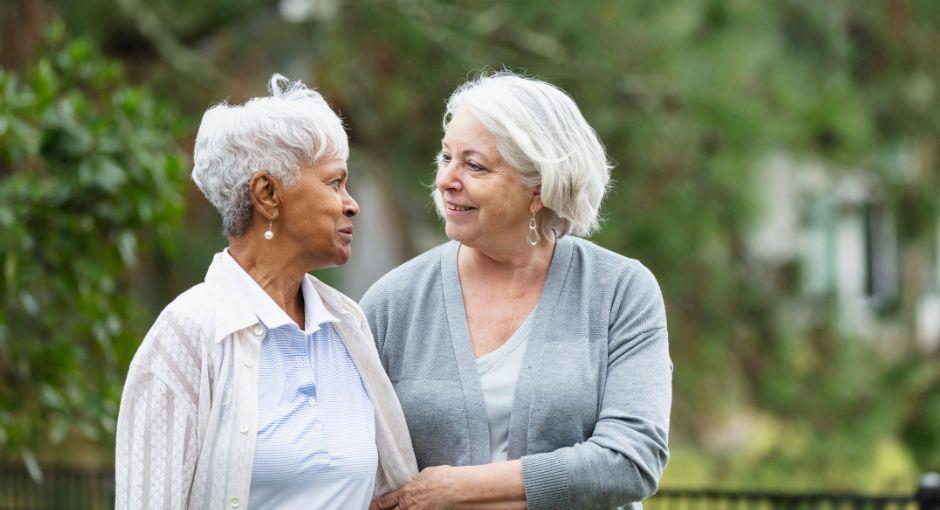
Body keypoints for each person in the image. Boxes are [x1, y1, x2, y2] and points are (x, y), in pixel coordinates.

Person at [361, 72, 672, 510]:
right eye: (445, 156)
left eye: (474, 165)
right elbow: (347, 461)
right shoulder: (393, 302)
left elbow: (632, 459)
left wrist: (459, 490)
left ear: (539, 188)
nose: (446, 179)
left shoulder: (620, 291)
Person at [115, 75, 417, 510]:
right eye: (334, 183)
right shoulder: (188, 334)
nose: (351, 204)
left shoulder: (347, 324)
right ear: (268, 194)